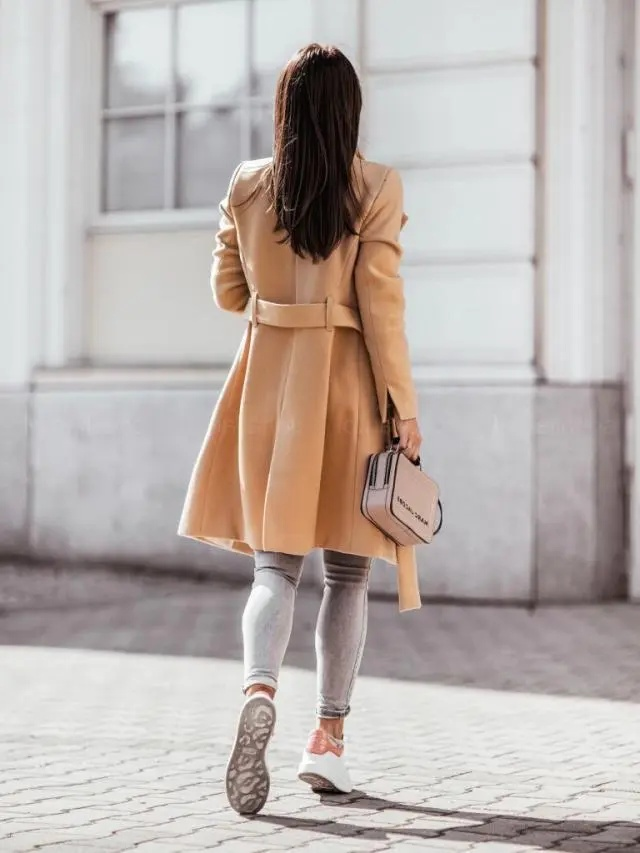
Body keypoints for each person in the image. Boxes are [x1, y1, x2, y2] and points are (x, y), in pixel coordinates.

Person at [178, 43, 422, 815]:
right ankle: (328, 741)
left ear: (282, 108)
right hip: (348, 389)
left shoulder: (247, 185)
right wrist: (404, 406)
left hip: (269, 393)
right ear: (350, 110)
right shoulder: (375, 186)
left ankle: (258, 686)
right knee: (347, 574)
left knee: (272, 569)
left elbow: (226, 291)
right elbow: (381, 307)